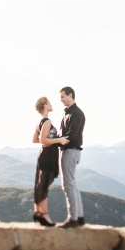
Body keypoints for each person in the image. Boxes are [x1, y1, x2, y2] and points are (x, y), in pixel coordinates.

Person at [32, 96, 68, 226]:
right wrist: (59, 140)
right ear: (45, 106)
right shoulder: (47, 121)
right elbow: (42, 140)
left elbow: (35, 140)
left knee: (41, 184)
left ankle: (38, 213)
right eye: (49, 103)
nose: (51, 104)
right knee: (44, 185)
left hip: (44, 154)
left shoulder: (40, 122)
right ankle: (44, 215)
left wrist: (49, 141)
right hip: (48, 155)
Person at [58, 86, 86, 228]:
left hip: (71, 151)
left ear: (70, 95)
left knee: (68, 185)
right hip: (69, 151)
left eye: (63, 96)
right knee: (72, 184)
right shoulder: (68, 113)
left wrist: (57, 141)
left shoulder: (77, 113)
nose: (61, 99)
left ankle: (73, 219)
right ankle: (79, 217)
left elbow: (72, 135)